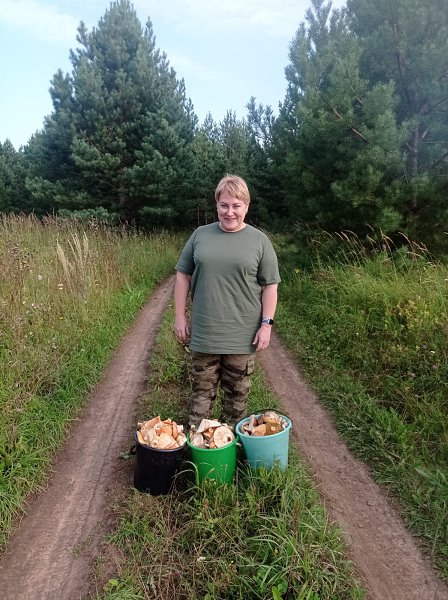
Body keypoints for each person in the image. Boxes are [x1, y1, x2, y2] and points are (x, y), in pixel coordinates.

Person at [174, 174, 280, 429]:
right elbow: (182, 275)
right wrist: (179, 317)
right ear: (217, 205)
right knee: (201, 397)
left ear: (246, 206)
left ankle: (230, 446)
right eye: (224, 205)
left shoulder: (259, 241)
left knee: (236, 401)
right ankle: (198, 446)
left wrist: (266, 325)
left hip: (242, 336)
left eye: (236, 206)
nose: (229, 212)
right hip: (205, 333)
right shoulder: (200, 235)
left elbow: (270, 285)